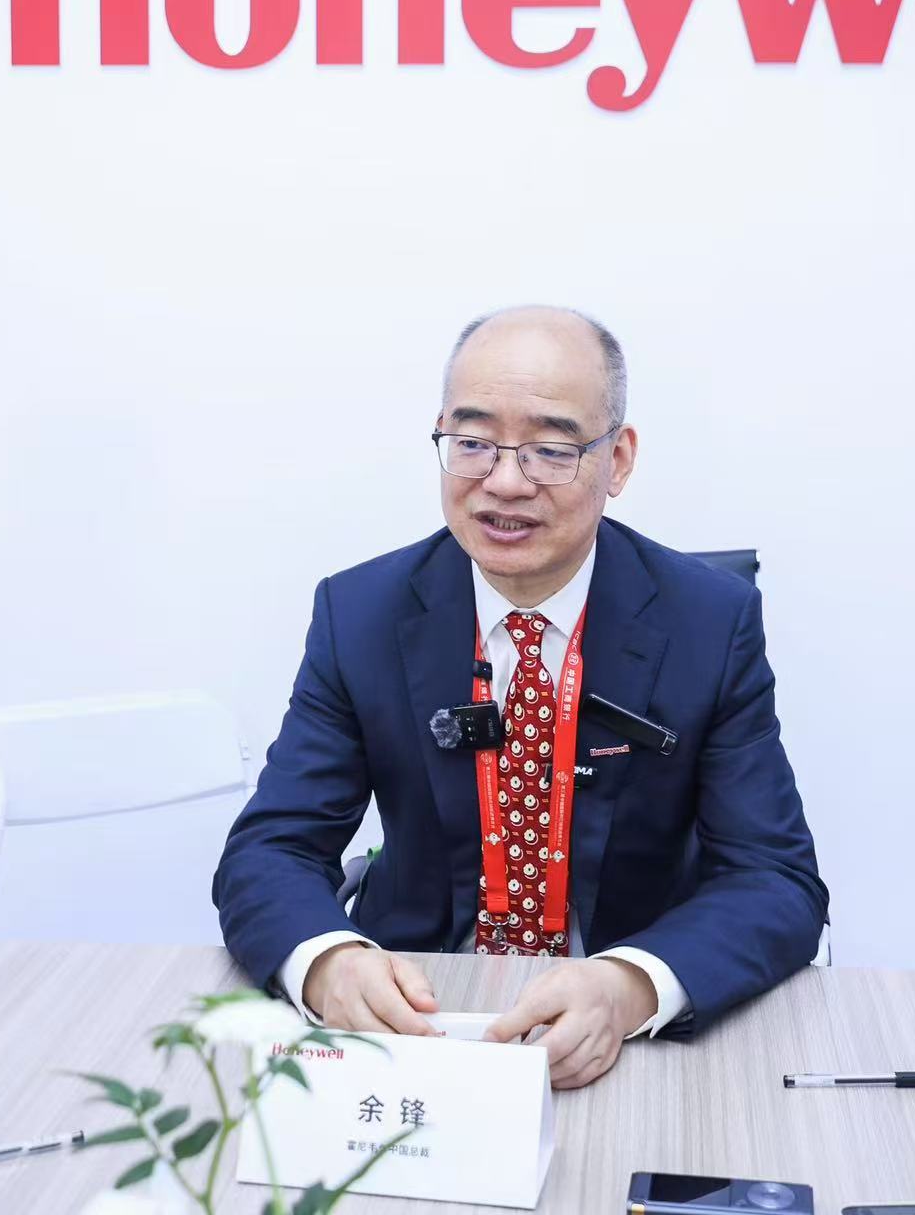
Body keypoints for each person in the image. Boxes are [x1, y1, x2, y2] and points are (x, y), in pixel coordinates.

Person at [213, 305, 827, 1090]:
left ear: (618, 460)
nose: (505, 482)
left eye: (550, 449)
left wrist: (632, 986)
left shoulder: (708, 621)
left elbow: (776, 879)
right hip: (420, 1012)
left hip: (623, 1031)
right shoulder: (360, 613)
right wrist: (329, 962)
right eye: (473, 443)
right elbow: (271, 849)